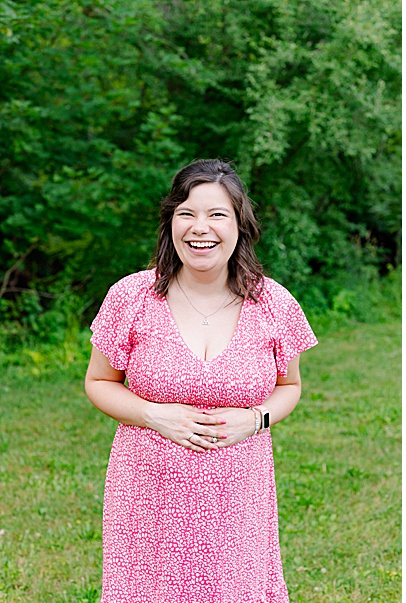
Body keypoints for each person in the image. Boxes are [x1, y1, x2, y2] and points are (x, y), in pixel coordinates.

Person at [84, 159, 318, 602]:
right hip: (148, 496)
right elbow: (98, 381)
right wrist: (153, 415)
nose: (200, 228)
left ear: (239, 224)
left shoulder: (273, 302)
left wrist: (256, 420)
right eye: (187, 213)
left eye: (216, 214)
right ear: (171, 220)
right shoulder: (130, 296)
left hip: (238, 498)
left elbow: (290, 387)